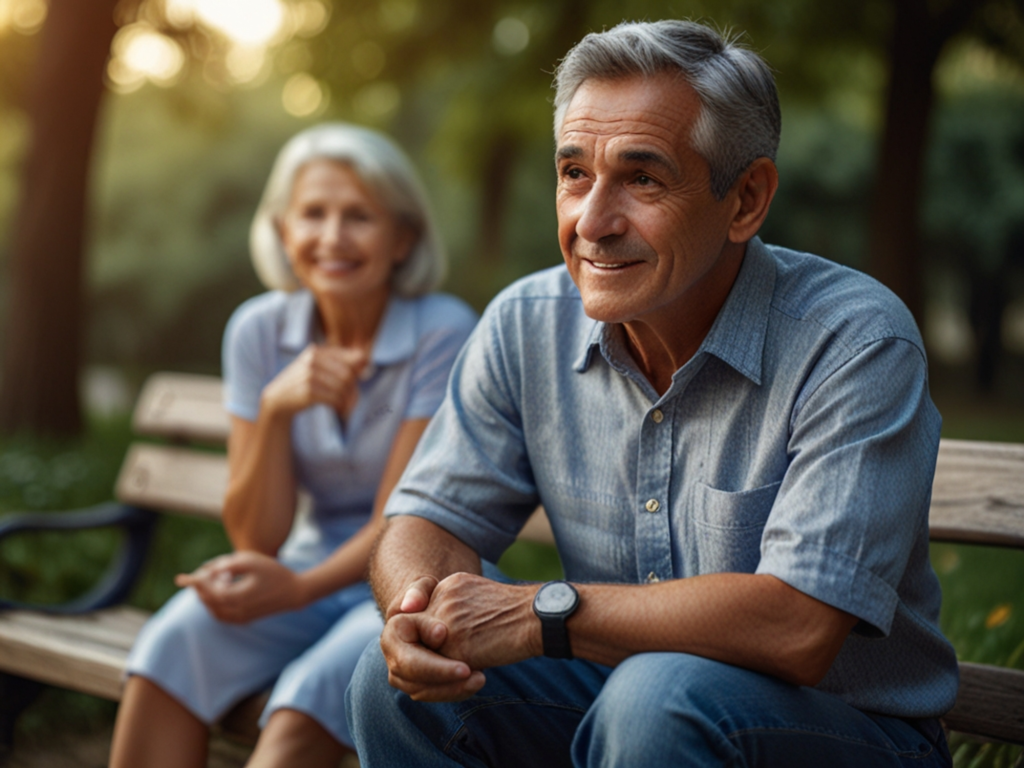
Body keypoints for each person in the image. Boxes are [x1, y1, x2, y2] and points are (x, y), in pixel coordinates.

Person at [345, 19, 959, 768]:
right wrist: (421, 614)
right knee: (397, 685)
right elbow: (429, 517)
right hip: (622, 706)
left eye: (642, 178)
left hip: (846, 731)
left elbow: (798, 627)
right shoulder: (525, 323)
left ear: (746, 199)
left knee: (656, 698)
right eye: (574, 174)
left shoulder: (855, 341)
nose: (592, 223)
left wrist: (542, 613)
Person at [108, 123, 477, 768]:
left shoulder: (441, 332)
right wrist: (275, 411)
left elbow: (404, 521)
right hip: (304, 566)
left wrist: (299, 589)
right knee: (175, 640)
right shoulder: (258, 329)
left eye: (358, 216)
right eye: (312, 214)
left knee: (315, 685)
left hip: (413, 580)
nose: (331, 237)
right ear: (282, 231)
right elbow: (257, 539)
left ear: (403, 238)